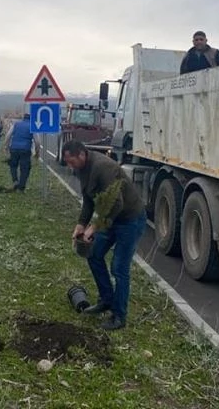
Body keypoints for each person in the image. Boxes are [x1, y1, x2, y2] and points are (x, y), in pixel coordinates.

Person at [62, 140, 146, 331]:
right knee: (93, 254)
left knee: (119, 268)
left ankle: (119, 316)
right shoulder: (82, 169)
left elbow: (116, 204)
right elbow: (89, 201)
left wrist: (94, 227)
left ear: (82, 154)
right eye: (68, 162)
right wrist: (80, 225)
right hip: (110, 219)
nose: (70, 166)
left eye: (72, 161)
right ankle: (106, 300)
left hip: (129, 220)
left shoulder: (104, 167)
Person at [5, 113, 40, 192]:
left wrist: (6, 147)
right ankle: (21, 187)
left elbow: (8, 135)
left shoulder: (16, 124)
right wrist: (37, 153)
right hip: (25, 150)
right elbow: (37, 141)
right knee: (25, 168)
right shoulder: (32, 126)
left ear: (23, 118)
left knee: (13, 165)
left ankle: (15, 181)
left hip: (14, 148)